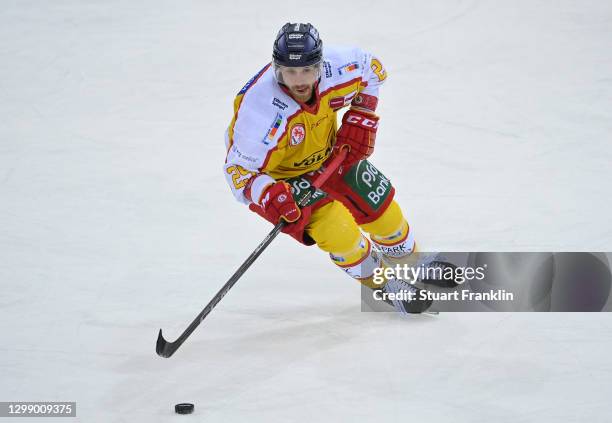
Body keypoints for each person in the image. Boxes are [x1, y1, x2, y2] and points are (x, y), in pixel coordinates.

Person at [224, 22, 435, 314]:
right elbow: (238, 173)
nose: (299, 80)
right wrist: (268, 195)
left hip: (329, 153)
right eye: (290, 71)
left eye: (307, 70)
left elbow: (374, 70)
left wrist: (362, 111)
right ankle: (383, 283)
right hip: (280, 178)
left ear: (320, 65)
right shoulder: (259, 112)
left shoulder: (340, 67)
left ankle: (411, 261)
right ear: (277, 69)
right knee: (338, 230)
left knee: (383, 211)